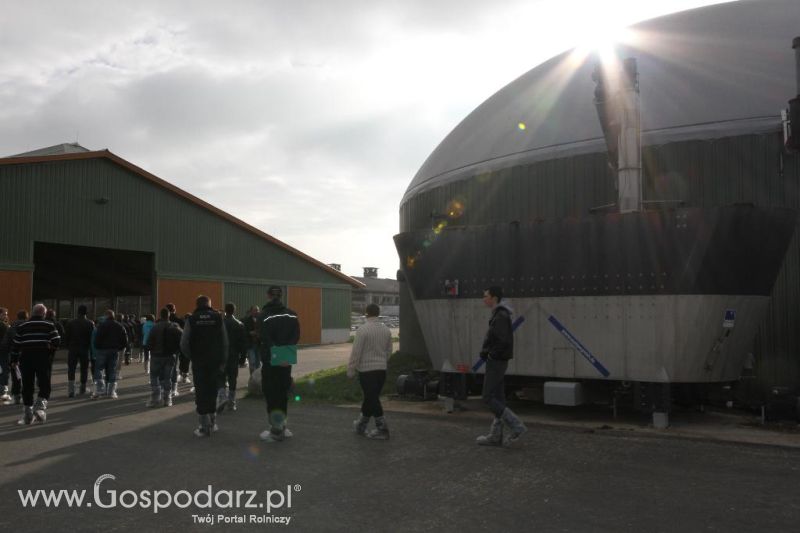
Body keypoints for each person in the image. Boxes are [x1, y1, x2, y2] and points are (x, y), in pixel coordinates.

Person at [475, 286, 527, 446]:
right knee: (498, 398)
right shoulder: (499, 314)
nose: (484, 299)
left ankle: (516, 426)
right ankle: (496, 436)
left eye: (486, 296)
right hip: (497, 360)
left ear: (494, 298)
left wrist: (490, 354)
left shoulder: (501, 316)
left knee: (487, 397)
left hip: (496, 361)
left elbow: (502, 341)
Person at [180, 295, 228, 437]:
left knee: (201, 391)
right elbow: (225, 342)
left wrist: (191, 356)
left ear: (197, 304)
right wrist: (223, 360)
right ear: (209, 304)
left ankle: (203, 426)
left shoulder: (191, 319)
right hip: (215, 361)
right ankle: (212, 423)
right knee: (212, 391)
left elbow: (184, 342)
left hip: (199, 361)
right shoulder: (218, 318)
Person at [258, 286, 300, 443]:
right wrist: (285, 351)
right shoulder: (292, 314)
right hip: (287, 355)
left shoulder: (263, 315)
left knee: (271, 392)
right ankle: (283, 426)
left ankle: (275, 430)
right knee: (283, 391)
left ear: (268, 296)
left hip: (271, 357)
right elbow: (296, 335)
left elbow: (265, 338)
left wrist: (275, 351)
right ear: (281, 296)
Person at [347, 303, 393, 439]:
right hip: (381, 370)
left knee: (372, 399)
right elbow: (389, 351)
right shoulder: (386, 330)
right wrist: (382, 361)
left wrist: (351, 369)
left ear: (366, 313)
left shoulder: (362, 330)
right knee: (370, 398)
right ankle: (361, 425)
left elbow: (356, 352)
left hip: (367, 370)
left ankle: (382, 429)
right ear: (378, 313)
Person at [13, 304, 60, 425]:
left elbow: (16, 345)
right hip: (42, 358)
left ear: (32, 313)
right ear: (43, 314)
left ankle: (28, 415)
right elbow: (57, 341)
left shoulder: (22, 326)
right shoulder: (49, 325)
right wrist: (49, 352)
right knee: (44, 383)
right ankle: (39, 408)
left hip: (26, 359)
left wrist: (14, 360)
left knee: (27, 385)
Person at [143, 308, 182, 408]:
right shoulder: (174, 326)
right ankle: (167, 399)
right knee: (167, 378)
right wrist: (177, 351)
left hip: (156, 355)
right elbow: (182, 339)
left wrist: (150, 349)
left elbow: (149, 342)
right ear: (169, 315)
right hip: (170, 356)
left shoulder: (155, 327)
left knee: (154, 377)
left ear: (160, 315)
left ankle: (156, 399)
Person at [91, 310, 128, 399]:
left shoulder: (101, 326)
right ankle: (111, 391)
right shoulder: (119, 326)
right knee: (112, 370)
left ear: (106, 316)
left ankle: (99, 389)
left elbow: (97, 339)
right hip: (114, 350)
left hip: (102, 350)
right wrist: (119, 348)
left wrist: (98, 347)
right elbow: (125, 340)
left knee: (99, 369)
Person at [64, 305, 95, 397]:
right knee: (84, 369)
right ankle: (83, 388)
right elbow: (92, 338)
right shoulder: (90, 323)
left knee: (71, 369)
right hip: (85, 348)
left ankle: (71, 390)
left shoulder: (71, 323)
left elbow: (66, 337)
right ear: (86, 312)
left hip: (73, 348)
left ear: (78, 312)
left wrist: (68, 346)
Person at [221, 302, 246, 412]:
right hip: (234, 355)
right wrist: (243, 357)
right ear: (234, 311)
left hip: (222, 355)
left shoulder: (220, 323)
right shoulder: (239, 324)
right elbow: (243, 343)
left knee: (221, 377)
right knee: (232, 379)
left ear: (225, 310)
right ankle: (232, 402)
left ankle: (222, 397)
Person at [5, 310, 28, 404]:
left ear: (17, 317)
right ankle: (26, 395)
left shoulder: (11, 326)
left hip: (14, 354)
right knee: (27, 376)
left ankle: (16, 396)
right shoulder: (28, 326)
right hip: (26, 354)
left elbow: (6, 342)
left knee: (16, 376)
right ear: (26, 317)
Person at [242, 306, 261, 374]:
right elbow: (244, 332)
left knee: (258, 363)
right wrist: (249, 333)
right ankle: (252, 377)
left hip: (259, 344)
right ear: (251, 311)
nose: (257, 311)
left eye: (258, 310)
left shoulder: (261, 320)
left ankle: (257, 378)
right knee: (252, 362)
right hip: (250, 344)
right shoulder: (246, 320)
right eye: (255, 310)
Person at [0, 307, 10, 403]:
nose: (6, 316)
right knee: (4, 371)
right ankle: (3, 393)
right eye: (4, 314)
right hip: (3, 351)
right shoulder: (3, 325)